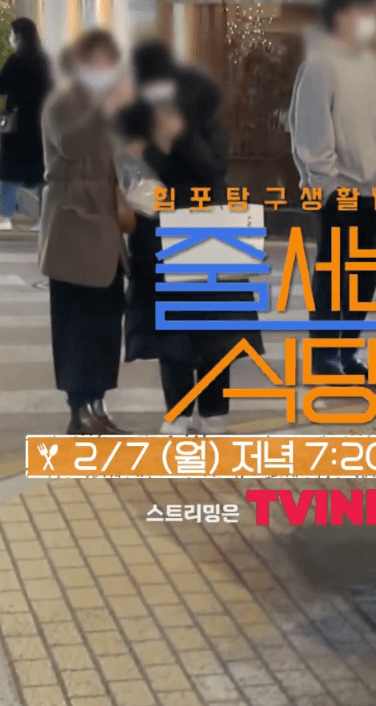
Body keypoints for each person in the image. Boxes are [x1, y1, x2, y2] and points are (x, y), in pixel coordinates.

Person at [120, 40, 264, 434]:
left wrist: (178, 135)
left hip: (206, 231)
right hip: (161, 234)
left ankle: (213, 411)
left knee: (215, 329)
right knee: (173, 332)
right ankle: (181, 412)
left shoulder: (204, 123)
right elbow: (137, 172)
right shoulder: (140, 122)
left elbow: (212, 168)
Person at [289, 0, 376, 383]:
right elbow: (310, 130)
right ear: (342, 16)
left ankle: (348, 351)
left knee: (363, 275)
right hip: (338, 188)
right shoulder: (320, 65)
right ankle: (325, 355)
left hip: (371, 188)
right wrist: (326, 184)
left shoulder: (371, 64)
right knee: (333, 272)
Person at [39, 29, 135, 434]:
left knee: (106, 323)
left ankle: (98, 404)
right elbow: (73, 144)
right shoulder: (62, 104)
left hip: (107, 228)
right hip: (74, 226)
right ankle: (79, 407)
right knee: (75, 323)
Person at [0, 18, 52, 232]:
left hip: (18, 122)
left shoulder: (16, 60)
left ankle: (5, 216)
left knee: (10, 171)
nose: (10, 39)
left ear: (18, 37)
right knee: (41, 171)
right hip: (40, 123)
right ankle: (43, 219)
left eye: (12, 35)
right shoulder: (45, 60)